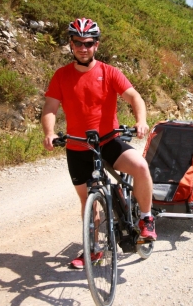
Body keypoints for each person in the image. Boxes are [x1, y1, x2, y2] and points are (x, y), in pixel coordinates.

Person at [41, 18, 157, 269]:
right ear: (70, 45)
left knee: (140, 167)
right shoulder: (61, 76)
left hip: (108, 141)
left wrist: (141, 121)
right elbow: (50, 107)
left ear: (96, 44)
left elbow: (134, 96)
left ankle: (146, 220)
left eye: (88, 43)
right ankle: (93, 249)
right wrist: (49, 132)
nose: (83, 48)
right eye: (77, 43)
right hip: (77, 145)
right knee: (87, 201)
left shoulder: (109, 72)